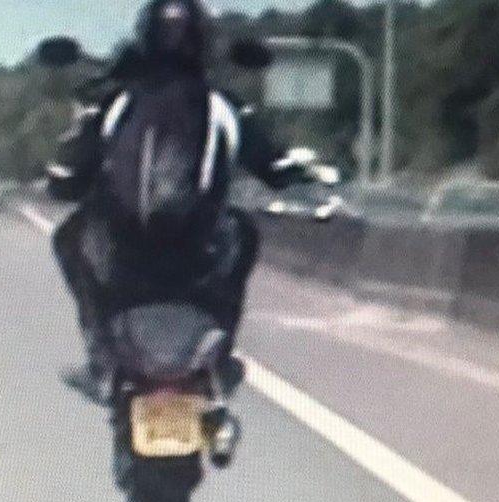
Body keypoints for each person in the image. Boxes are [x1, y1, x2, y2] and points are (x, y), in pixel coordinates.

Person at [47, 0, 307, 400]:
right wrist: (306, 173)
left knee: (68, 235)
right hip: (198, 258)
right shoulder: (223, 106)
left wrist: (64, 174)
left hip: (126, 257)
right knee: (246, 233)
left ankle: (99, 354)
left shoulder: (115, 103)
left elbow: (66, 183)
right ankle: (221, 354)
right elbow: (278, 170)